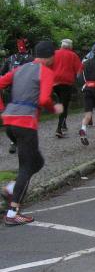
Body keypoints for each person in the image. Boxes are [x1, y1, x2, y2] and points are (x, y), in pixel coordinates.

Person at [0, 41, 64, 225]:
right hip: (25, 123)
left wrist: (2, 108)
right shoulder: (46, 72)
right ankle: (12, 213)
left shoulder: (20, 69)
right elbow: (44, 99)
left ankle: (11, 189)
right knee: (27, 166)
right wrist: (54, 108)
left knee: (37, 162)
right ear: (51, 56)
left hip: (10, 122)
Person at [51, 39, 83, 138]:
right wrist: (78, 82)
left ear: (61, 45)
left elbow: (48, 66)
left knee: (60, 102)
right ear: (70, 46)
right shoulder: (73, 55)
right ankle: (59, 129)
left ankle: (63, 123)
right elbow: (79, 71)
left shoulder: (54, 53)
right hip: (66, 83)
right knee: (64, 105)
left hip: (54, 83)